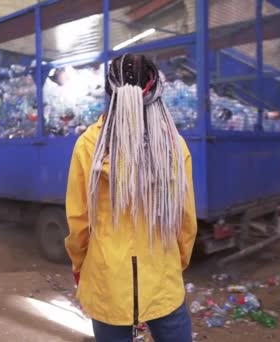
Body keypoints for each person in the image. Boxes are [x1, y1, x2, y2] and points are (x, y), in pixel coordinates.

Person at [65, 54, 197, 342]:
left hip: (108, 283)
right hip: (163, 280)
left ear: (110, 92)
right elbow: (186, 221)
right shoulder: (174, 146)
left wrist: (80, 266)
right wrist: (175, 264)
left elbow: (78, 223)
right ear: (154, 91)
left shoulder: (90, 146)